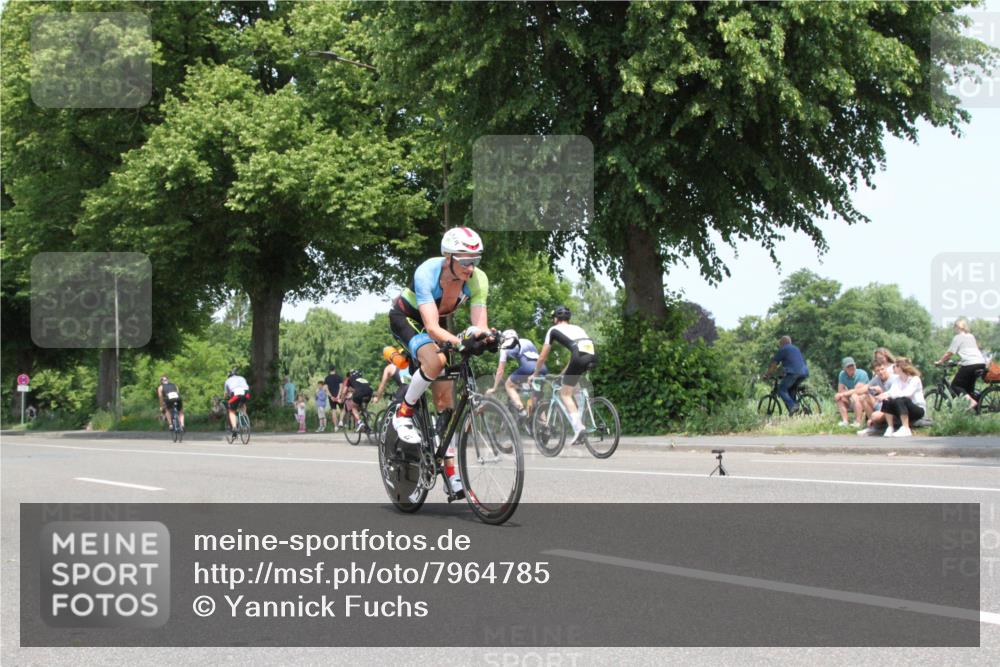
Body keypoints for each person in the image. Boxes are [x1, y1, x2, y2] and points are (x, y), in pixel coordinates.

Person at [388, 226, 497, 499]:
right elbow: (432, 326)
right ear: (448, 257)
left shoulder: (477, 279)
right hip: (409, 319)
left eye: (476, 261)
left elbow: (479, 325)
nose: (471, 268)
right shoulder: (427, 272)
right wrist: (460, 342)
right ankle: (403, 413)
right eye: (465, 261)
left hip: (437, 324)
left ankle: (449, 473)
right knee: (435, 361)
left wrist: (490, 338)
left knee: (444, 404)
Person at [529, 306, 597, 445]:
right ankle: (582, 415)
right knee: (574, 386)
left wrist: (534, 374)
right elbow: (576, 357)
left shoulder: (553, 330)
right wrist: (562, 374)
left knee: (564, 394)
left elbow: (542, 357)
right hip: (593, 356)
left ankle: (579, 428)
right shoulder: (578, 328)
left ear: (555, 319)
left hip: (579, 357)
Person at [488, 329, 547, 424]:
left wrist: (494, 387)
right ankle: (545, 425)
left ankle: (521, 410)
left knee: (509, 385)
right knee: (536, 398)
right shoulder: (527, 341)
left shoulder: (504, 346)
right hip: (542, 368)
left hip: (528, 367)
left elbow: (500, 370)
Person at [935, 318, 987, 410]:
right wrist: (960, 362)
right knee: (968, 390)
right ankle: (975, 410)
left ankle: (971, 402)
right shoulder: (971, 336)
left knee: (955, 386)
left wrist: (940, 361)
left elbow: (950, 353)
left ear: (957, 327)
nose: (954, 329)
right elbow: (970, 352)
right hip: (981, 363)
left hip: (970, 364)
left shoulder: (958, 337)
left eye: (954, 327)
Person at [871, 357, 926, 438]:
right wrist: (883, 395)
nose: (893, 368)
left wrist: (890, 395)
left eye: (895, 366)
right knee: (887, 400)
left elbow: (907, 393)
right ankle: (890, 427)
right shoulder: (897, 379)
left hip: (917, 408)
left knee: (901, 400)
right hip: (903, 408)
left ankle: (906, 428)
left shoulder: (915, 379)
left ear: (901, 368)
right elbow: (892, 391)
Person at [764, 336, 809, 415]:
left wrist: (768, 374)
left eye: (780, 344)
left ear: (782, 343)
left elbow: (774, 365)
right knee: (791, 390)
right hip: (804, 373)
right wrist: (784, 373)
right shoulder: (796, 348)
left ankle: (792, 406)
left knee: (781, 389)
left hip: (794, 373)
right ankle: (796, 413)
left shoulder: (783, 349)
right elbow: (795, 362)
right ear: (790, 342)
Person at [857, 360, 899, 436]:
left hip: (890, 407)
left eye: (882, 369)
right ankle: (872, 427)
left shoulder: (894, 379)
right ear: (875, 372)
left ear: (886, 368)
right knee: (863, 397)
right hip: (880, 405)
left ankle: (878, 425)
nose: (880, 372)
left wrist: (881, 392)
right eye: (878, 371)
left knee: (875, 416)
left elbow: (895, 397)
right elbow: (865, 388)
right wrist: (846, 394)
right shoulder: (876, 379)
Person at [834, 357, 870, 427]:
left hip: (864, 399)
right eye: (848, 366)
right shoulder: (842, 374)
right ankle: (845, 421)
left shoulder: (862, 374)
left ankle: (858, 422)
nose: (851, 367)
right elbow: (840, 390)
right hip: (851, 397)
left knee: (855, 396)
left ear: (855, 365)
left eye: (852, 365)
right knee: (839, 397)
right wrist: (841, 394)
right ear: (844, 368)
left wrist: (844, 393)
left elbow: (857, 391)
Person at [223, 368, 251, 440]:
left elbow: (226, 395)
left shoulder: (227, 381)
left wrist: (225, 398)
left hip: (235, 394)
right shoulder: (242, 378)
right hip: (246, 393)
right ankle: (244, 418)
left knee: (231, 411)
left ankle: (234, 428)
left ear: (229, 375)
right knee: (243, 403)